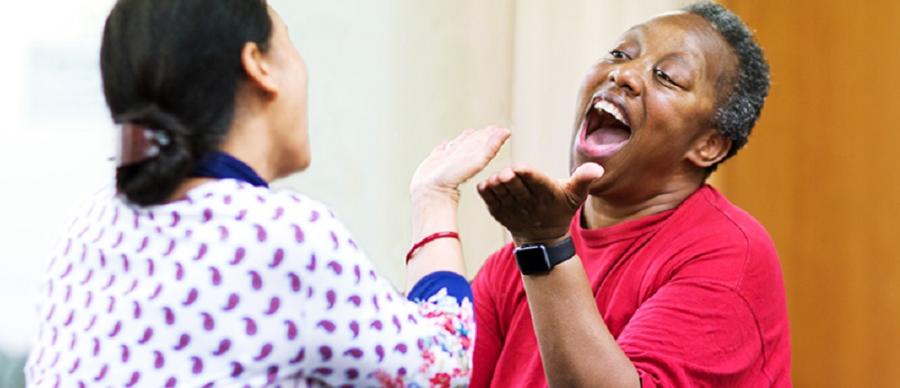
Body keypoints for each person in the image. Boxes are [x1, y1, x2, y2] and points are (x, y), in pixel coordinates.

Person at [24, 0, 510, 386]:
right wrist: (435, 197)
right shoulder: (282, 236)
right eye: (292, 48)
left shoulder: (85, 226)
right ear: (258, 64)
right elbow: (442, 367)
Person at [471, 2, 791, 387]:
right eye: (620, 54)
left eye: (667, 77)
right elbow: (435, 370)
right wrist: (433, 200)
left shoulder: (730, 253)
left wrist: (545, 247)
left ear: (708, 145)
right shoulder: (518, 258)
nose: (624, 74)